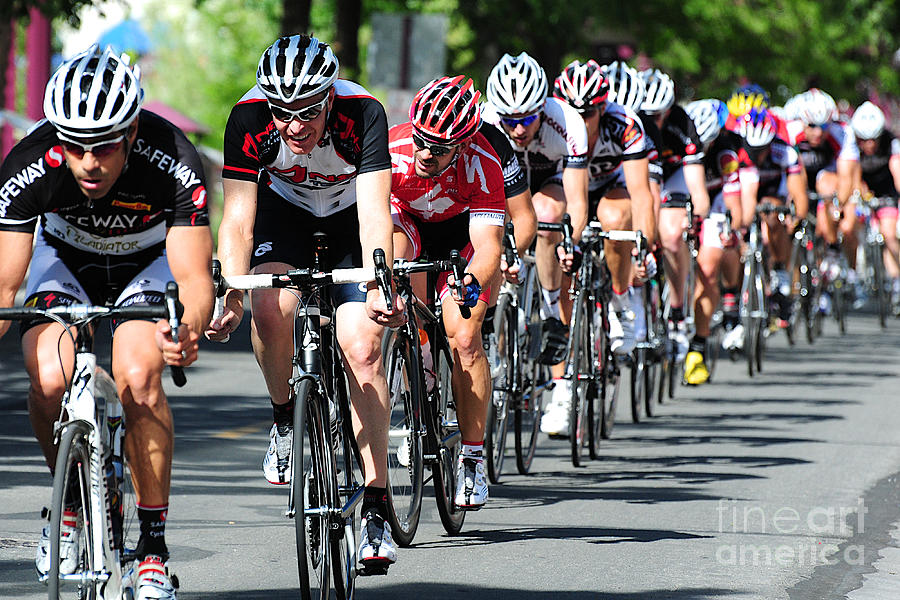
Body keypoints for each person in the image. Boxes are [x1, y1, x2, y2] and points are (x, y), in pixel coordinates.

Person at [0, 45, 213, 599]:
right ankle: (68, 502)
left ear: (133, 130)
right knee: (46, 374)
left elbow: (192, 278)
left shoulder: (173, 158)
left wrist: (186, 329)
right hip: (66, 261)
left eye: (104, 147)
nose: (89, 162)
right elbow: (3, 283)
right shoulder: (29, 162)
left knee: (139, 377)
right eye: (74, 146)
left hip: (146, 264)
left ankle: (152, 549)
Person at [206, 34, 404, 569]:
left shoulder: (362, 112)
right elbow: (239, 219)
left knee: (361, 345)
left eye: (308, 112)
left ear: (330, 98)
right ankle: (283, 420)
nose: (295, 127)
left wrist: (380, 280)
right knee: (270, 310)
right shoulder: (248, 120)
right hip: (285, 213)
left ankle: (378, 503)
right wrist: (229, 290)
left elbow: (374, 212)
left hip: (349, 218)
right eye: (284, 112)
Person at [388, 75, 505, 509]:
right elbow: (373, 221)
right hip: (410, 224)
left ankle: (473, 458)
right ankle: (418, 387)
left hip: (462, 239)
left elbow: (489, 246)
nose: (424, 154)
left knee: (466, 337)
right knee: (397, 272)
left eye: (437, 150)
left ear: (462, 145)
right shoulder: (392, 151)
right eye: (420, 140)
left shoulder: (483, 163)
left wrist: (469, 284)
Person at [481, 52, 590, 436]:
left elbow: (576, 202)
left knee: (547, 219)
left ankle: (560, 379)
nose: (519, 129)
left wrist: (569, 243)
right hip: (505, 188)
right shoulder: (486, 122)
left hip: (548, 184)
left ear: (542, 108)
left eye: (527, 119)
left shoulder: (567, 122)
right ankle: (494, 332)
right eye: (511, 121)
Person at [640, 68, 711, 362]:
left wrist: (697, 214)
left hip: (673, 179)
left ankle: (678, 311)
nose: (655, 122)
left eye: (660, 115)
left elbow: (696, 184)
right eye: (649, 115)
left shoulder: (682, 123)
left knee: (671, 235)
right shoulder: (632, 122)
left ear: (669, 109)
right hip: (642, 176)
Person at [682, 99, 745, 384]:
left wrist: (731, 228)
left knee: (708, 269)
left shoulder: (724, 154)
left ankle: (699, 342)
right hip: (680, 199)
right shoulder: (676, 140)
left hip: (716, 203)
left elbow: (734, 205)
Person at [850, 101, 900, 310]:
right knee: (851, 227)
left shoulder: (892, 144)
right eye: (864, 140)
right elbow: (853, 176)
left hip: (888, 192)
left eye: (873, 140)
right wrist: (860, 195)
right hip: (865, 192)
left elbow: (897, 173)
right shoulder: (851, 145)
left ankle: (897, 281)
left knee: (889, 235)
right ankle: (855, 278)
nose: (869, 145)